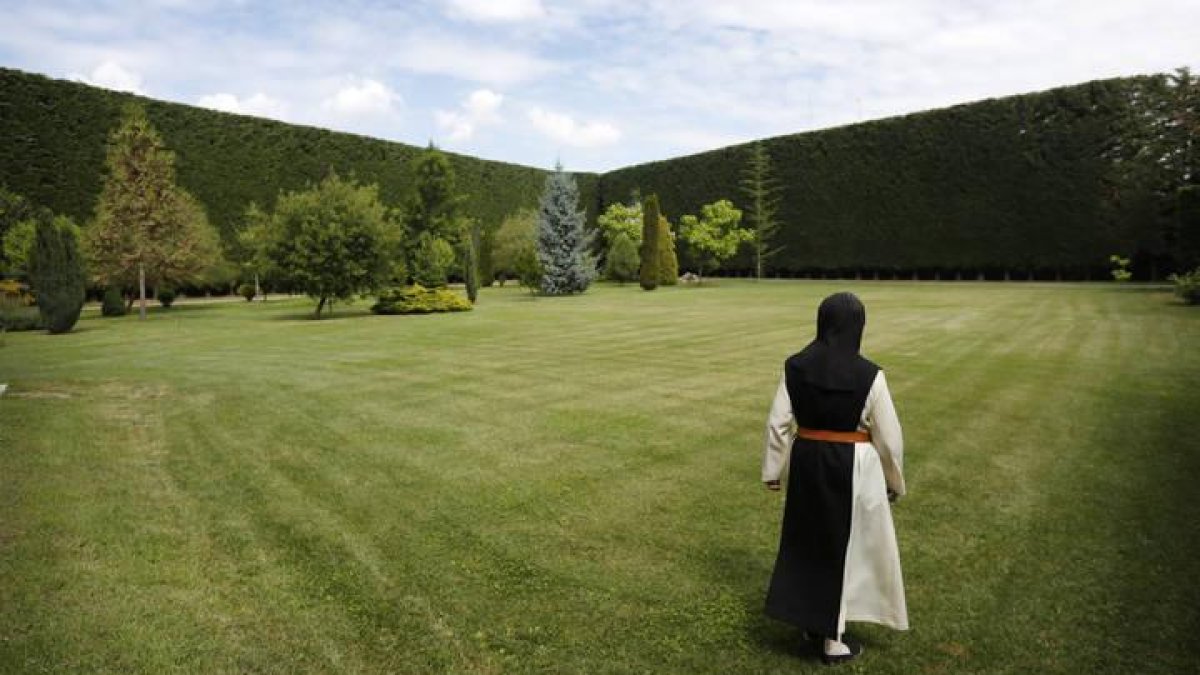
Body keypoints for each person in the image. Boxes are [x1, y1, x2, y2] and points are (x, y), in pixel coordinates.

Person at [762, 292, 908, 665]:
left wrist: (773, 470)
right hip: (854, 466)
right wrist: (894, 480)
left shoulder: (795, 367)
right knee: (846, 548)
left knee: (808, 542)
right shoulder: (870, 375)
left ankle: (811, 622)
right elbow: (889, 439)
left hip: (807, 460)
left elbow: (779, 423)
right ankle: (832, 641)